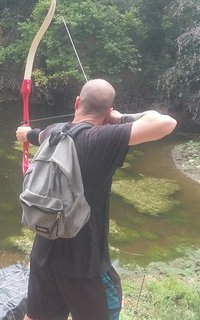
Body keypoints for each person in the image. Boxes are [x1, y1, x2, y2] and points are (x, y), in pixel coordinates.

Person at [16, 79, 177, 320]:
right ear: (108, 111)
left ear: (77, 102)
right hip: (84, 263)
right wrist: (120, 117)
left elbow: (34, 134)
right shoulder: (104, 138)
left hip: (43, 253)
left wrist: (25, 133)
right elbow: (166, 123)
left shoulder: (53, 132)